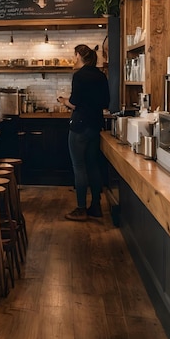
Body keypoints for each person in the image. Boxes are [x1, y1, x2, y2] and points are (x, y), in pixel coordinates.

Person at [57, 44, 110, 222]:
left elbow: (75, 102)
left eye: (74, 56)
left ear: (78, 55)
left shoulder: (79, 75)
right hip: (95, 125)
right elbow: (105, 102)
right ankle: (96, 205)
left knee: (79, 167)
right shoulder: (101, 75)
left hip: (79, 126)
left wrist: (64, 100)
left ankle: (80, 209)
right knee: (92, 165)